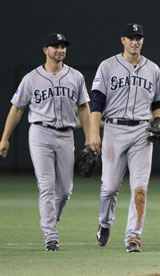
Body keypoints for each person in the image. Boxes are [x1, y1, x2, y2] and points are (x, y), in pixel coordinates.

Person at [0, 33, 91, 251]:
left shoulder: (75, 77)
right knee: (46, 186)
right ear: (45, 50)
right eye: (55, 46)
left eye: (62, 46)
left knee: (66, 190)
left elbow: (84, 108)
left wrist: (90, 137)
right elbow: (17, 108)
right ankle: (51, 235)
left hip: (66, 135)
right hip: (41, 133)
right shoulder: (31, 78)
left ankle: (50, 219)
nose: (59, 50)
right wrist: (4, 137)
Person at [89, 23, 160, 252]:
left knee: (140, 189)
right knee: (109, 187)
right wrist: (94, 132)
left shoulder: (153, 69)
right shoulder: (107, 66)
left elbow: (159, 103)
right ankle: (104, 224)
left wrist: (157, 123)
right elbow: (96, 103)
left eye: (139, 38)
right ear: (123, 40)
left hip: (142, 132)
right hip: (113, 129)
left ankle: (133, 237)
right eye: (131, 38)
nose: (135, 42)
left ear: (142, 40)